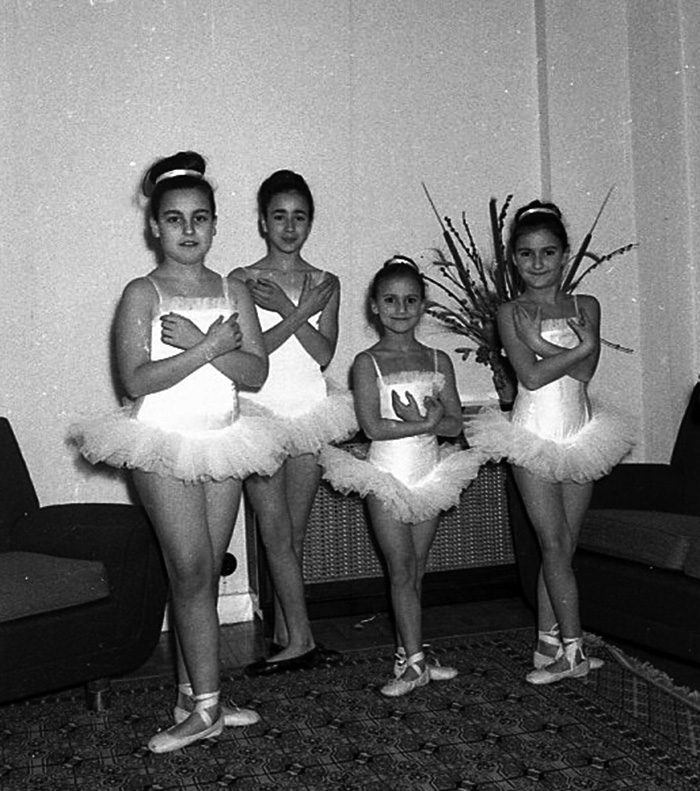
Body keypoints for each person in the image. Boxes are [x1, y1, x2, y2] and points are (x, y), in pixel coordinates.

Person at [70, 151, 285, 752]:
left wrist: (212, 346)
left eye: (200, 218)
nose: (188, 230)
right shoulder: (143, 292)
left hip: (224, 438)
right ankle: (207, 710)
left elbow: (255, 372)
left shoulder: (233, 289)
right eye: (174, 219)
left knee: (206, 572)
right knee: (188, 568)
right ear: (154, 227)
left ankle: (196, 696)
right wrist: (204, 347)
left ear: (215, 225)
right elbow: (135, 380)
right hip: (164, 441)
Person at [466, 201, 634, 685]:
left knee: (564, 548)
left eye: (548, 252)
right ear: (512, 260)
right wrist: (576, 347)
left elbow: (585, 371)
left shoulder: (586, 306)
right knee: (554, 543)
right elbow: (532, 377)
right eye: (526, 254)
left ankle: (547, 644)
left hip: (580, 434)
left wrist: (549, 345)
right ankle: (574, 651)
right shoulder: (510, 312)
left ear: (565, 255)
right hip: (532, 436)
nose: (537, 263)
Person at [319, 257, 482, 696]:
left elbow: (454, 424)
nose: (401, 309)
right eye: (390, 300)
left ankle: (411, 654)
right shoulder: (367, 362)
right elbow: (372, 427)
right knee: (401, 570)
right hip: (386, 477)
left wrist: (433, 422)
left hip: (429, 476)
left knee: (416, 571)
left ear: (423, 305)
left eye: (411, 300)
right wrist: (422, 422)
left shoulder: (438, 359)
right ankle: (413, 664)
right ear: (374, 305)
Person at [230, 170, 356, 675]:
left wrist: (290, 306)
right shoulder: (241, 280)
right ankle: (302, 640)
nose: (288, 227)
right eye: (279, 216)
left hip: (309, 413)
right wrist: (297, 311)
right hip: (260, 414)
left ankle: (288, 634)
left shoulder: (326, 282)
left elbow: (323, 355)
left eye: (299, 217)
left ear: (310, 222)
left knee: (293, 535)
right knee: (275, 533)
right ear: (263, 221)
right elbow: (254, 353)